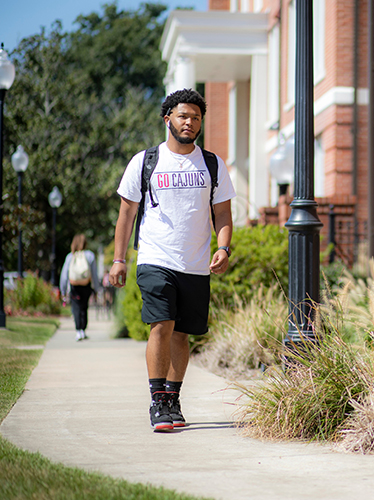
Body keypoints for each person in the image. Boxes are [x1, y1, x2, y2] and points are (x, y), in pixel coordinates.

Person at [109, 89, 235, 432]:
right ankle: (157, 402)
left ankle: (173, 397)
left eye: (195, 117)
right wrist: (119, 259)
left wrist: (223, 249)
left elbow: (222, 214)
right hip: (155, 257)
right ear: (168, 119)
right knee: (161, 326)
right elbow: (126, 215)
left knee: (182, 335)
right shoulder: (146, 161)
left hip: (194, 263)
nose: (189, 122)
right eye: (183, 116)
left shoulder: (212, 164)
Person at [59, 234, 100, 341]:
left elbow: (64, 275)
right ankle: (83, 330)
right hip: (86, 285)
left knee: (76, 307)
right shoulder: (90, 255)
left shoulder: (70, 256)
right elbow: (94, 274)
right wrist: (96, 288)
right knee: (84, 307)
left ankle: (78, 331)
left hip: (74, 286)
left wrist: (63, 290)